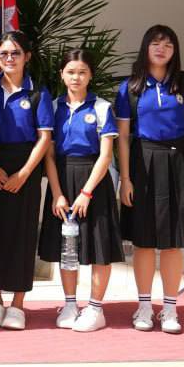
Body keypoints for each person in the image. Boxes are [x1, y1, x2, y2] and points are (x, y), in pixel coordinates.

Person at [117, 25, 184, 334]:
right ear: (145, 47)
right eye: (156, 43)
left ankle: (170, 309)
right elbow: (123, 137)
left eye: (168, 44)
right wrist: (125, 179)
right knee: (144, 241)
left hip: (180, 162)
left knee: (173, 242)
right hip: (143, 164)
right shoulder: (130, 87)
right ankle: (145, 307)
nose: (162, 49)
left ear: (175, 51)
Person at [38, 49, 124, 333]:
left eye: (82, 72)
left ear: (90, 76)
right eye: (71, 72)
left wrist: (86, 193)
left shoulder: (101, 107)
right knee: (67, 246)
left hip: (94, 182)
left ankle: (96, 308)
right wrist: (57, 193)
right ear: (62, 75)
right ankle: (70, 304)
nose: (76, 77)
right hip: (62, 179)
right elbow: (49, 154)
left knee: (99, 247)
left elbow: (106, 156)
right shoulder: (53, 107)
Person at [0, 31, 54, 330]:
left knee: (22, 235)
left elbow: (44, 138)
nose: (9, 58)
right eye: (4, 54)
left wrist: (24, 173)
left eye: (16, 53)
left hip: (27, 166)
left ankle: (18, 304)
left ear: (27, 57)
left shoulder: (38, 93)